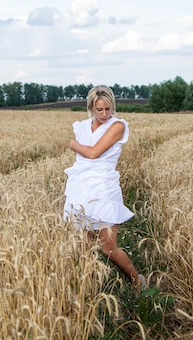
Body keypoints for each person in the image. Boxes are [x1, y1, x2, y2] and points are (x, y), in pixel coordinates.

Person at [63, 85, 146, 291]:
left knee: (108, 248)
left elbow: (92, 153)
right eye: (99, 109)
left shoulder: (117, 126)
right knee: (86, 249)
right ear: (91, 107)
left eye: (108, 109)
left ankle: (139, 282)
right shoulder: (81, 126)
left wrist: (74, 145)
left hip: (104, 187)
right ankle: (91, 293)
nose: (104, 114)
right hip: (81, 187)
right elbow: (88, 153)